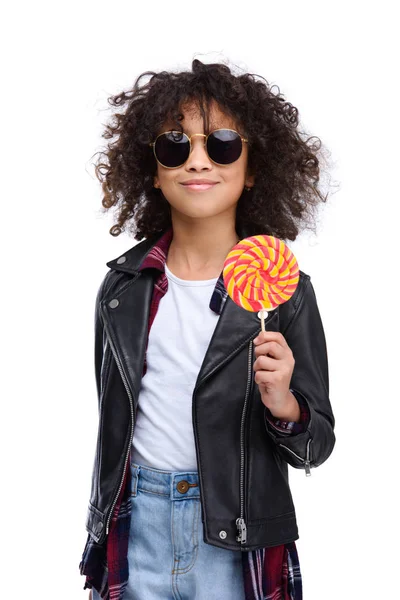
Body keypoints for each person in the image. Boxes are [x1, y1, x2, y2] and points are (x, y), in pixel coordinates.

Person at [79, 58, 336, 600]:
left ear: (253, 166)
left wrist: (284, 401)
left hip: (235, 533)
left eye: (221, 144)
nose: (198, 161)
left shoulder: (285, 290)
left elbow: (315, 448)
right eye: (175, 146)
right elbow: (110, 421)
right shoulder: (123, 289)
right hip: (136, 520)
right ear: (152, 168)